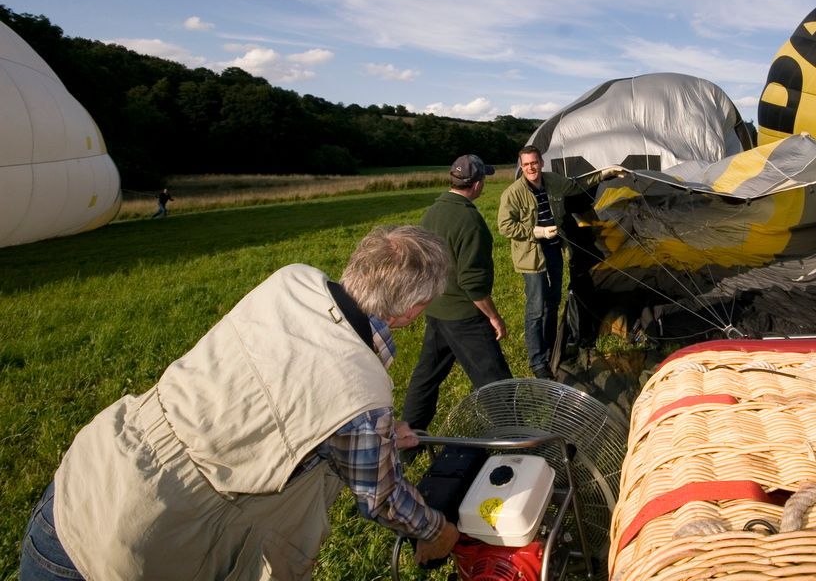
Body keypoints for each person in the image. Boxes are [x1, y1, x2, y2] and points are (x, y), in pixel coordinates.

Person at [19, 225, 460, 581]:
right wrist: (437, 532)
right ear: (412, 312)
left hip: (81, 484)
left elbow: (282, 390)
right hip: (141, 542)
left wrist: (375, 434)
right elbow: (382, 498)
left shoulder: (289, 280)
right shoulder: (364, 396)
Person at [401, 155, 512, 434]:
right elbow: (472, 283)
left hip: (436, 309)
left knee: (426, 377)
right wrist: (494, 318)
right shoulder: (470, 220)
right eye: (483, 179)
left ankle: (408, 436)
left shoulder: (433, 212)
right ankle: (516, 438)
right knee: (496, 382)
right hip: (464, 317)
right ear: (475, 185)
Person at [497, 147, 621, 379]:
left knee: (553, 301)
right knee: (536, 308)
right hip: (531, 254)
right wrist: (538, 231)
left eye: (534, 163)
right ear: (521, 167)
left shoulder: (553, 181)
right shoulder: (512, 194)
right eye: (526, 165)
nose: (531, 168)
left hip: (554, 250)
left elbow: (575, 185)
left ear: (541, 163)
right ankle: (537, 361)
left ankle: (553, 348)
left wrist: (605, 174)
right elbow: (505, 226)